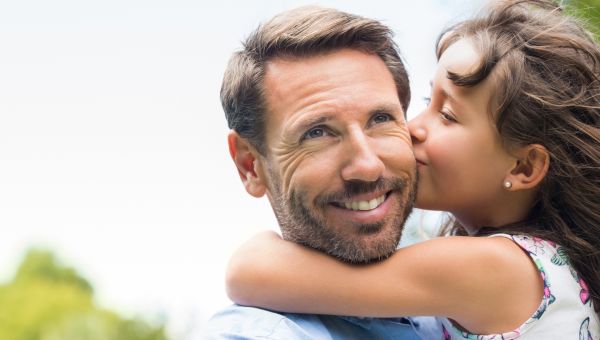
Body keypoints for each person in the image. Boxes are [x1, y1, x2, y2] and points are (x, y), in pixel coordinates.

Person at [225, 0, 600, 338]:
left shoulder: (496, 268)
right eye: (426, 101)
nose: (413, 127)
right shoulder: (531, 264)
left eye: (448, 115)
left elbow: (251, 273)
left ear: (523, 167)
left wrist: (258, 250)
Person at [203, 5, 438, 339]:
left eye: (381, 120)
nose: (367, 167)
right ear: (249, 165)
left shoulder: (455, 316)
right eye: (317, 133)